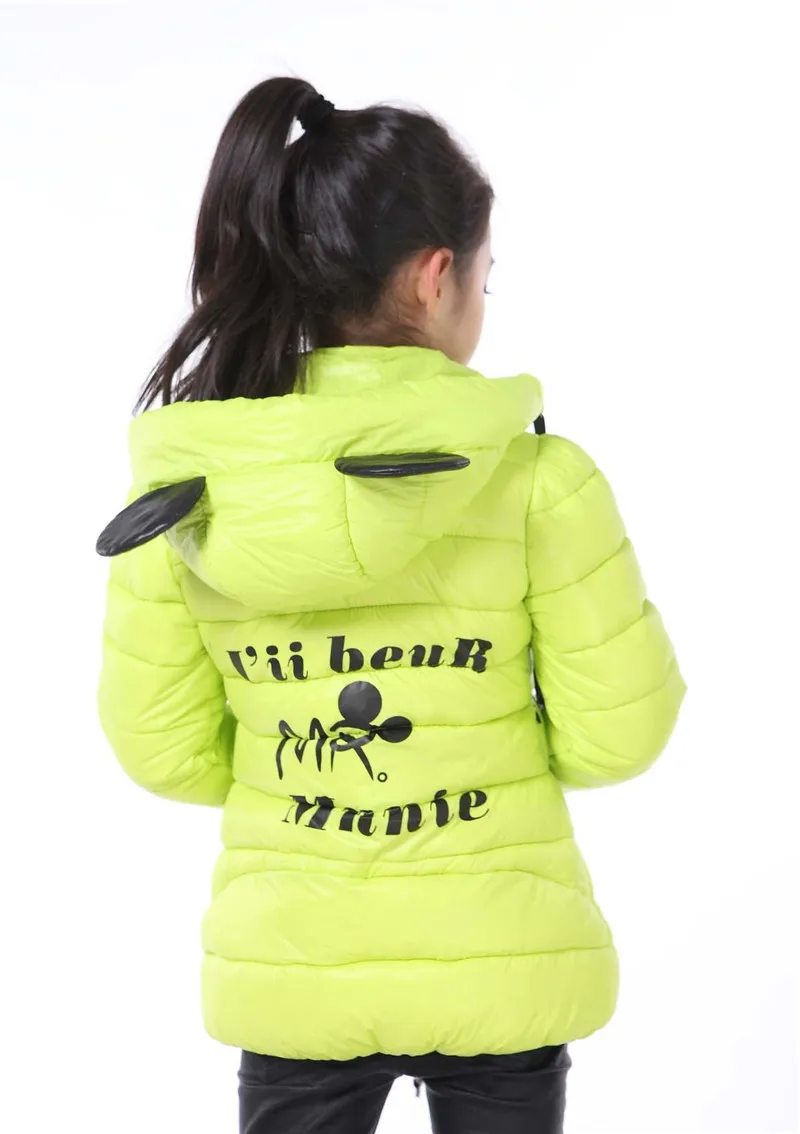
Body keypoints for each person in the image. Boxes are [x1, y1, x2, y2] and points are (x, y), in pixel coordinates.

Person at [96, 76, 686, 1134]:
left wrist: (291, 781)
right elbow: (619, 735)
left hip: (294, 968)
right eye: (485, 278)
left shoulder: (185, 497)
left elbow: (163, 752)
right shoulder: (539, 480)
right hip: (504, 956)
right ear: (433, 275)